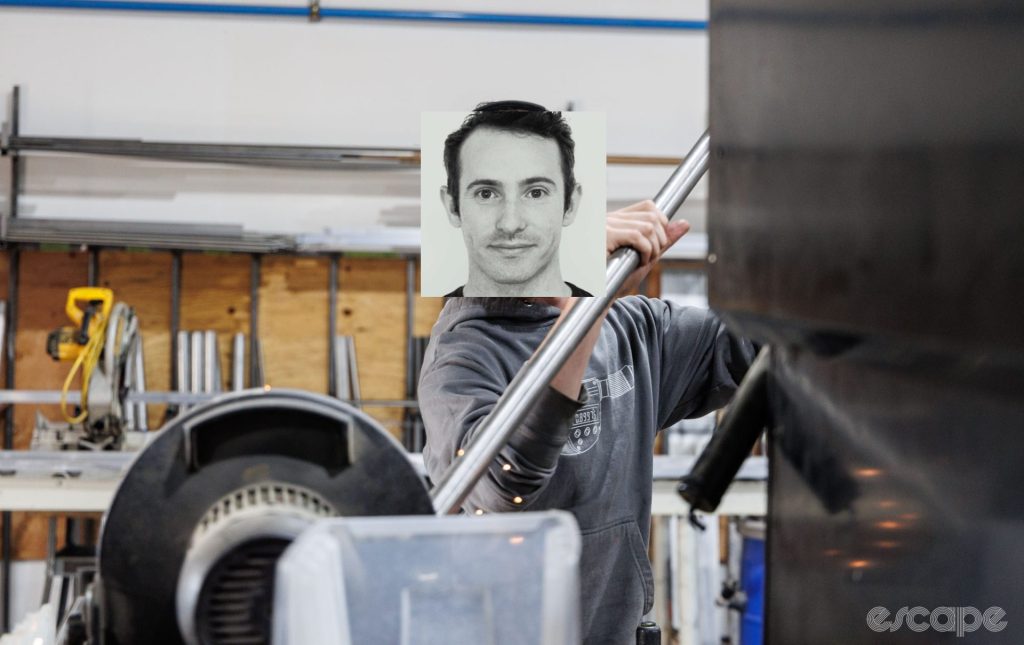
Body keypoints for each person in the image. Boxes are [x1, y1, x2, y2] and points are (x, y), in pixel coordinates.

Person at [418, 199, 758, 644]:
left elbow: (754, 346)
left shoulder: (634, 331)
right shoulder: (461, 358)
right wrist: (587, 300)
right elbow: (506, 484)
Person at [439, 100, 593, 297]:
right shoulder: (439, 324)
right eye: (486, 194)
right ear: (452, 207)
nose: (510, 224)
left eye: (536, 193)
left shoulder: (608, 320)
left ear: (570, 205)